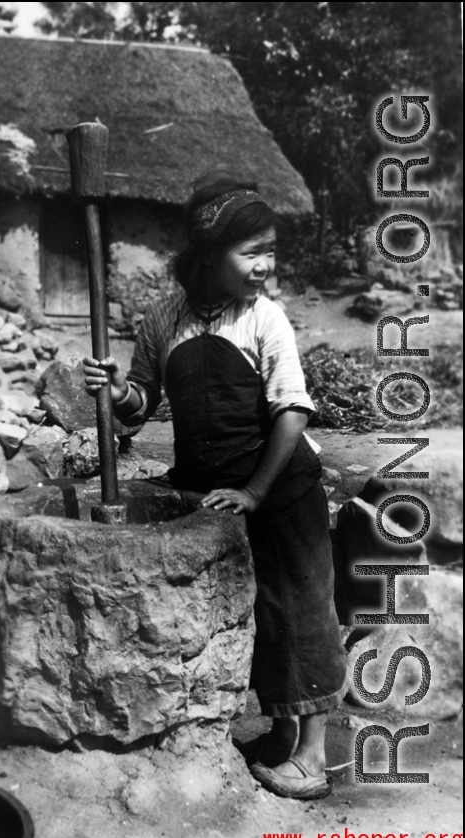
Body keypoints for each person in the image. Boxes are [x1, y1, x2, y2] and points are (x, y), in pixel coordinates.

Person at [83, 175, 347, 800]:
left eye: (271, 252)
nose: (266, 267)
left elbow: (292, 412)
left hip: (280, 487)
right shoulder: (163, 317)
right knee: (259, 615)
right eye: (251, 253)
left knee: (300, 612)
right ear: (206, 254)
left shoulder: (265, 318)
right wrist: (116, 390)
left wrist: (256, 491)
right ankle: (280, 739)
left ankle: (312, 759)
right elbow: (140, 403)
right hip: (213, 491)